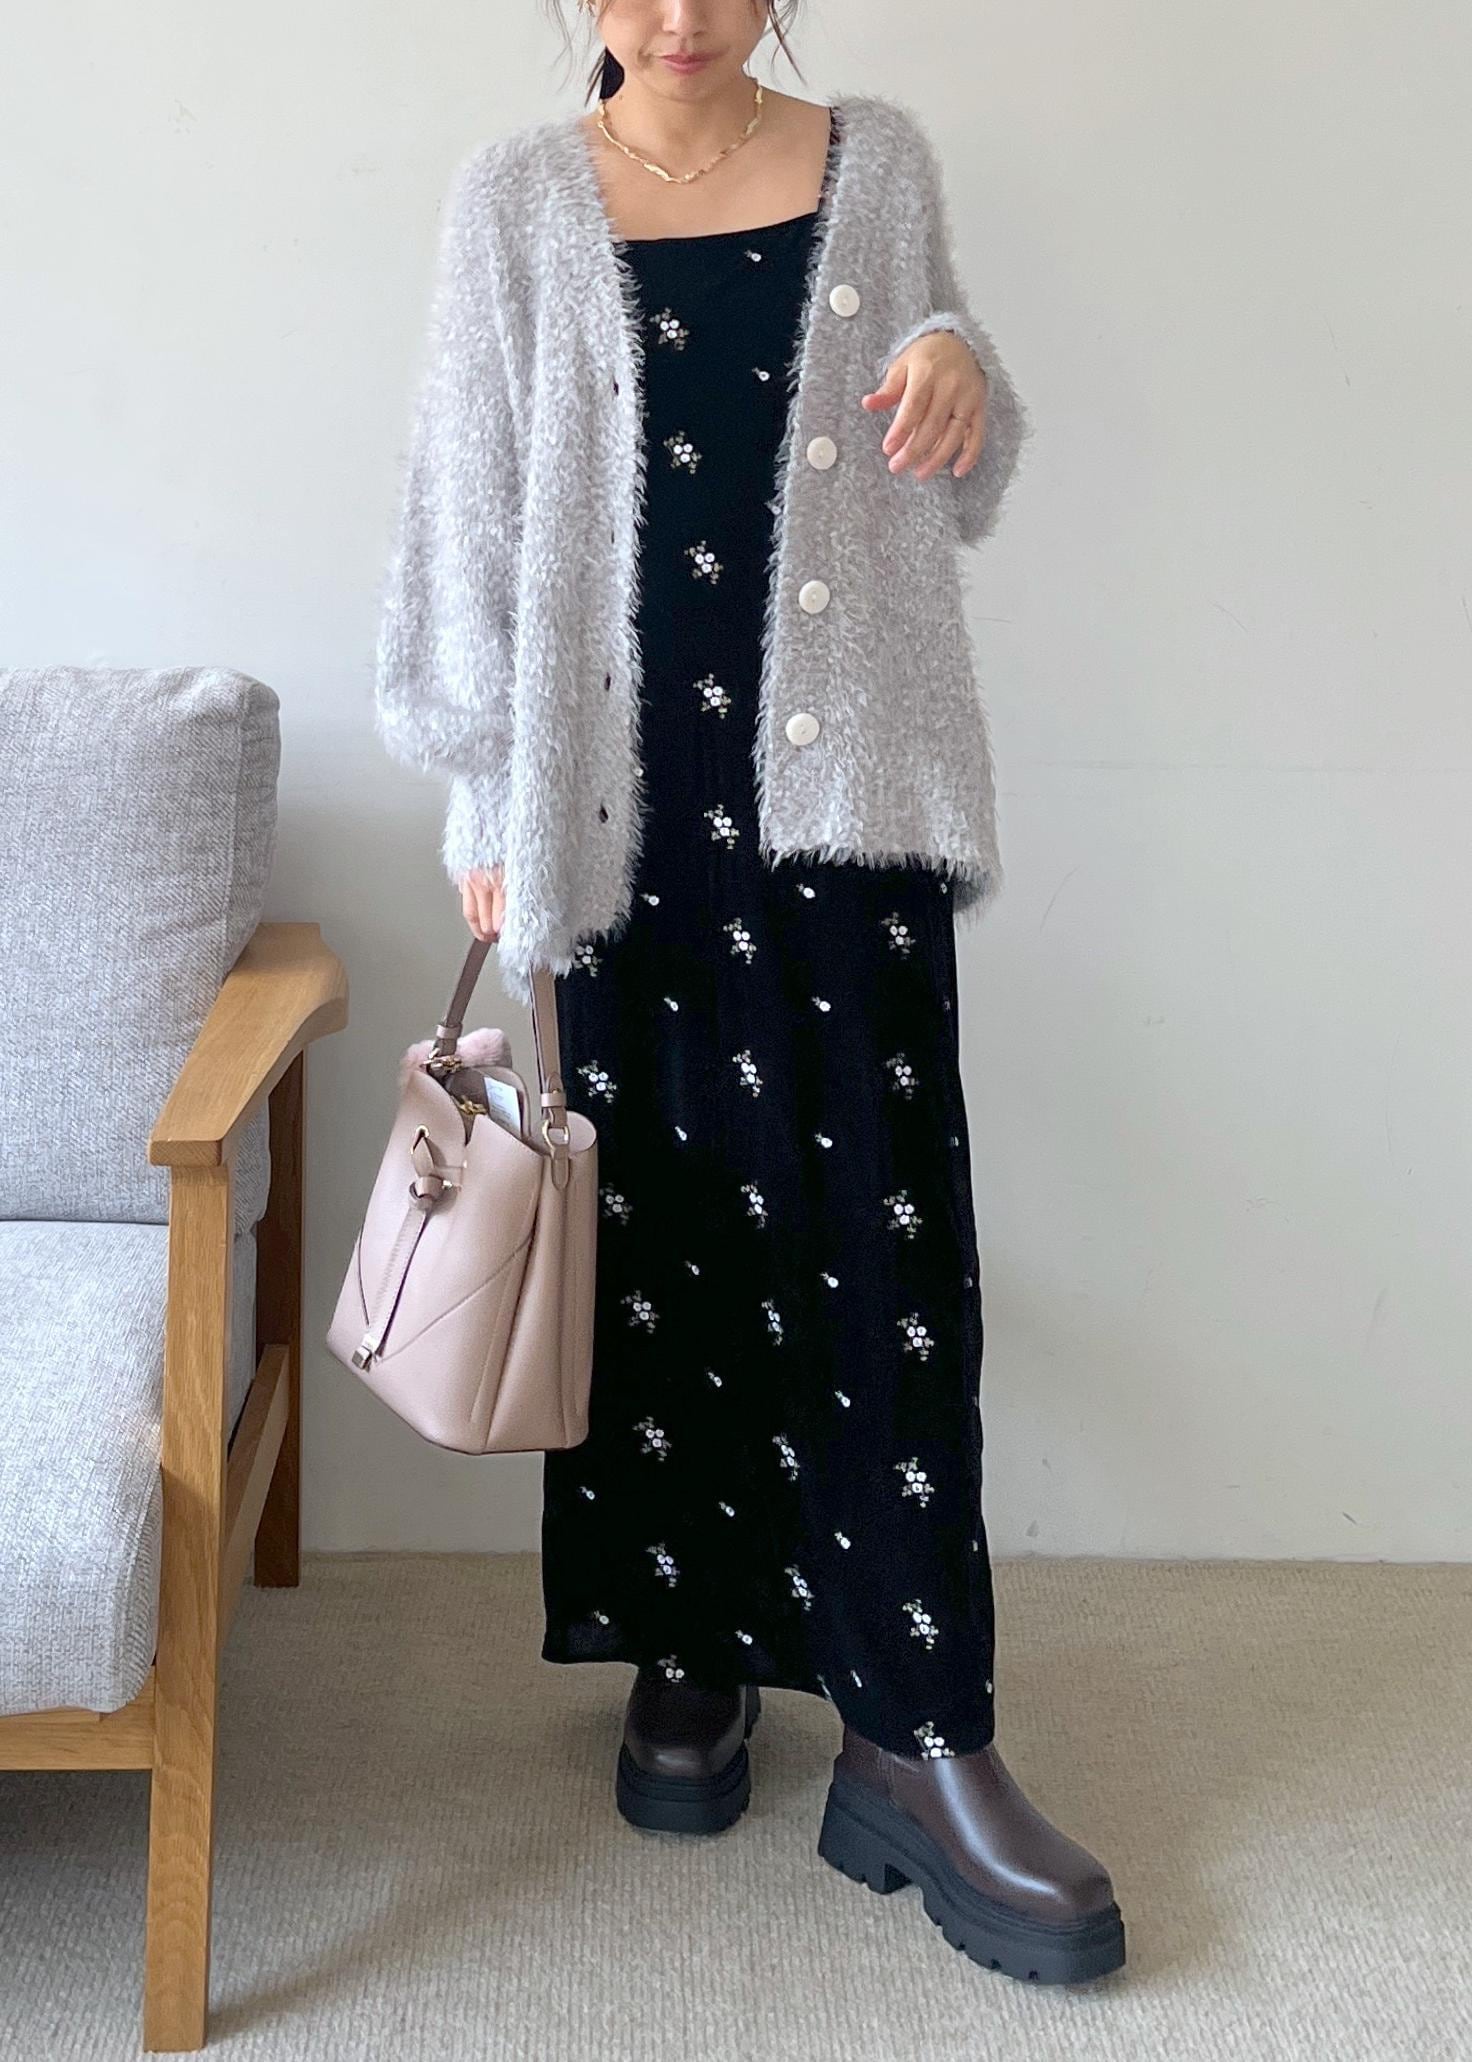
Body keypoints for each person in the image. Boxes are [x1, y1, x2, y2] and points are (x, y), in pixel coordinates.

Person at [374, 0, 1125, 1988]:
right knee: (665, 1230)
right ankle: (687, 1648)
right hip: (611, 803)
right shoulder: (514, 199)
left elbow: (950, 455)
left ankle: (918, 1730)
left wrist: (958, 367)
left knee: (884, 1254)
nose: (681, 18)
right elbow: (466, 506)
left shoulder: (876, 161)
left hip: (842, 793)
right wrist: (483, 797)